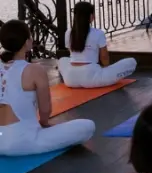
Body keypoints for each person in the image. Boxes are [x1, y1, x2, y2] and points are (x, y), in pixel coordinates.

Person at [0, 20, 95, 156]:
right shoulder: (35, 70)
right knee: (88, 126)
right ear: (27, 42)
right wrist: (44, 124)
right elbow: (45, 110)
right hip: (23, 141)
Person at [57, 2, 137, 88]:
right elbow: (104, 57)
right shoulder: (98, 33)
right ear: (91, 16)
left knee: (62, 60)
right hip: (92, 79)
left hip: (70, 79)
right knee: (131, 62)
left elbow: (71, 53)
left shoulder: (68, 33)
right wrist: (107, 70)